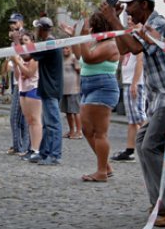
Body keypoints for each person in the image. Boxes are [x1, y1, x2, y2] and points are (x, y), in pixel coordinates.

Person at [101, 0, 165, 228]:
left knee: (152, 147)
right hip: (157, 99)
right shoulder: (142, 26)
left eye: (132, 4)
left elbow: (135, 48)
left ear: (144, 4)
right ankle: (160, 203)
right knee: (143, 146)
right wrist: (118, 20)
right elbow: (125, 47)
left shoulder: (160, 24)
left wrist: (114, 19)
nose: (129, 8)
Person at [71, 13, 120, 182]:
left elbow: (89, 58)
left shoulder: (111, 44)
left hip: (103, 87)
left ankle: (101, 172)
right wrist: (74, 37)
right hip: (88, 86)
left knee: (100, 132)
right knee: (86, 130)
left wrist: (84, 36)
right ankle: (105, 166)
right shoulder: (95, 42)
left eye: (90, 25)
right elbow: (79, 54)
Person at [31, 17, 65, 166]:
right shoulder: (49, 43)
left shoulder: (49, 45)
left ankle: (55, 155)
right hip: (49, 88)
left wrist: (22, 42)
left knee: (53, 124)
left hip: (51, 89)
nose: (36, 31)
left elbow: (29, 55)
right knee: (47, 124)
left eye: (37, 28)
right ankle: (44, 152)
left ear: (42, 29)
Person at [10, 33, 42, 162]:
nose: (23, 44)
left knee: (35, 119)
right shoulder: (21, 57)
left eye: (26, 40)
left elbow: (29, 73)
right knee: (29, 120)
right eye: (22, 42)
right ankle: (31, 148)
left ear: (32, 41)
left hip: (34, 88)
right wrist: (16, 62)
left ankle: (36, 149)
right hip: (22, 89)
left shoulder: (35, 56)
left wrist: (18, 62)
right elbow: (19, 75)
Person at [112, 48, 146, 162]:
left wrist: (135, 82)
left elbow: (140, 61)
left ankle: (159, 141)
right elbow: (121, 59)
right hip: (128, 82)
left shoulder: (138, 43)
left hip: (135, 83)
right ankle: (129, 150)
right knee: (132, 120)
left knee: (139, 116)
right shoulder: (127, 46)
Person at [6, 13, 29, 155]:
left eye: (15, 22)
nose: (12, 25)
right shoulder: (13, 41)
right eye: (11, 23)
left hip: (26, 82)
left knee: (21, 117)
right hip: (16, 81)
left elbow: (27, 56)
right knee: (17, 117)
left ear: (21, 22)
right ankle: (19, 145)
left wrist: (16, 41)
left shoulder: (26, 37)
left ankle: (22, 146)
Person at [60, 46, 82, 139]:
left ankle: (79, 131)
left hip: (73, 89)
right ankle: (71, 130)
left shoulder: (73, 57)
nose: (65, 50)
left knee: (75, 111)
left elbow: (79, 70)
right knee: (67, 111)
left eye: (67, 48)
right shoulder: (61, 58)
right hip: (64, 89)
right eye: (63, 48)